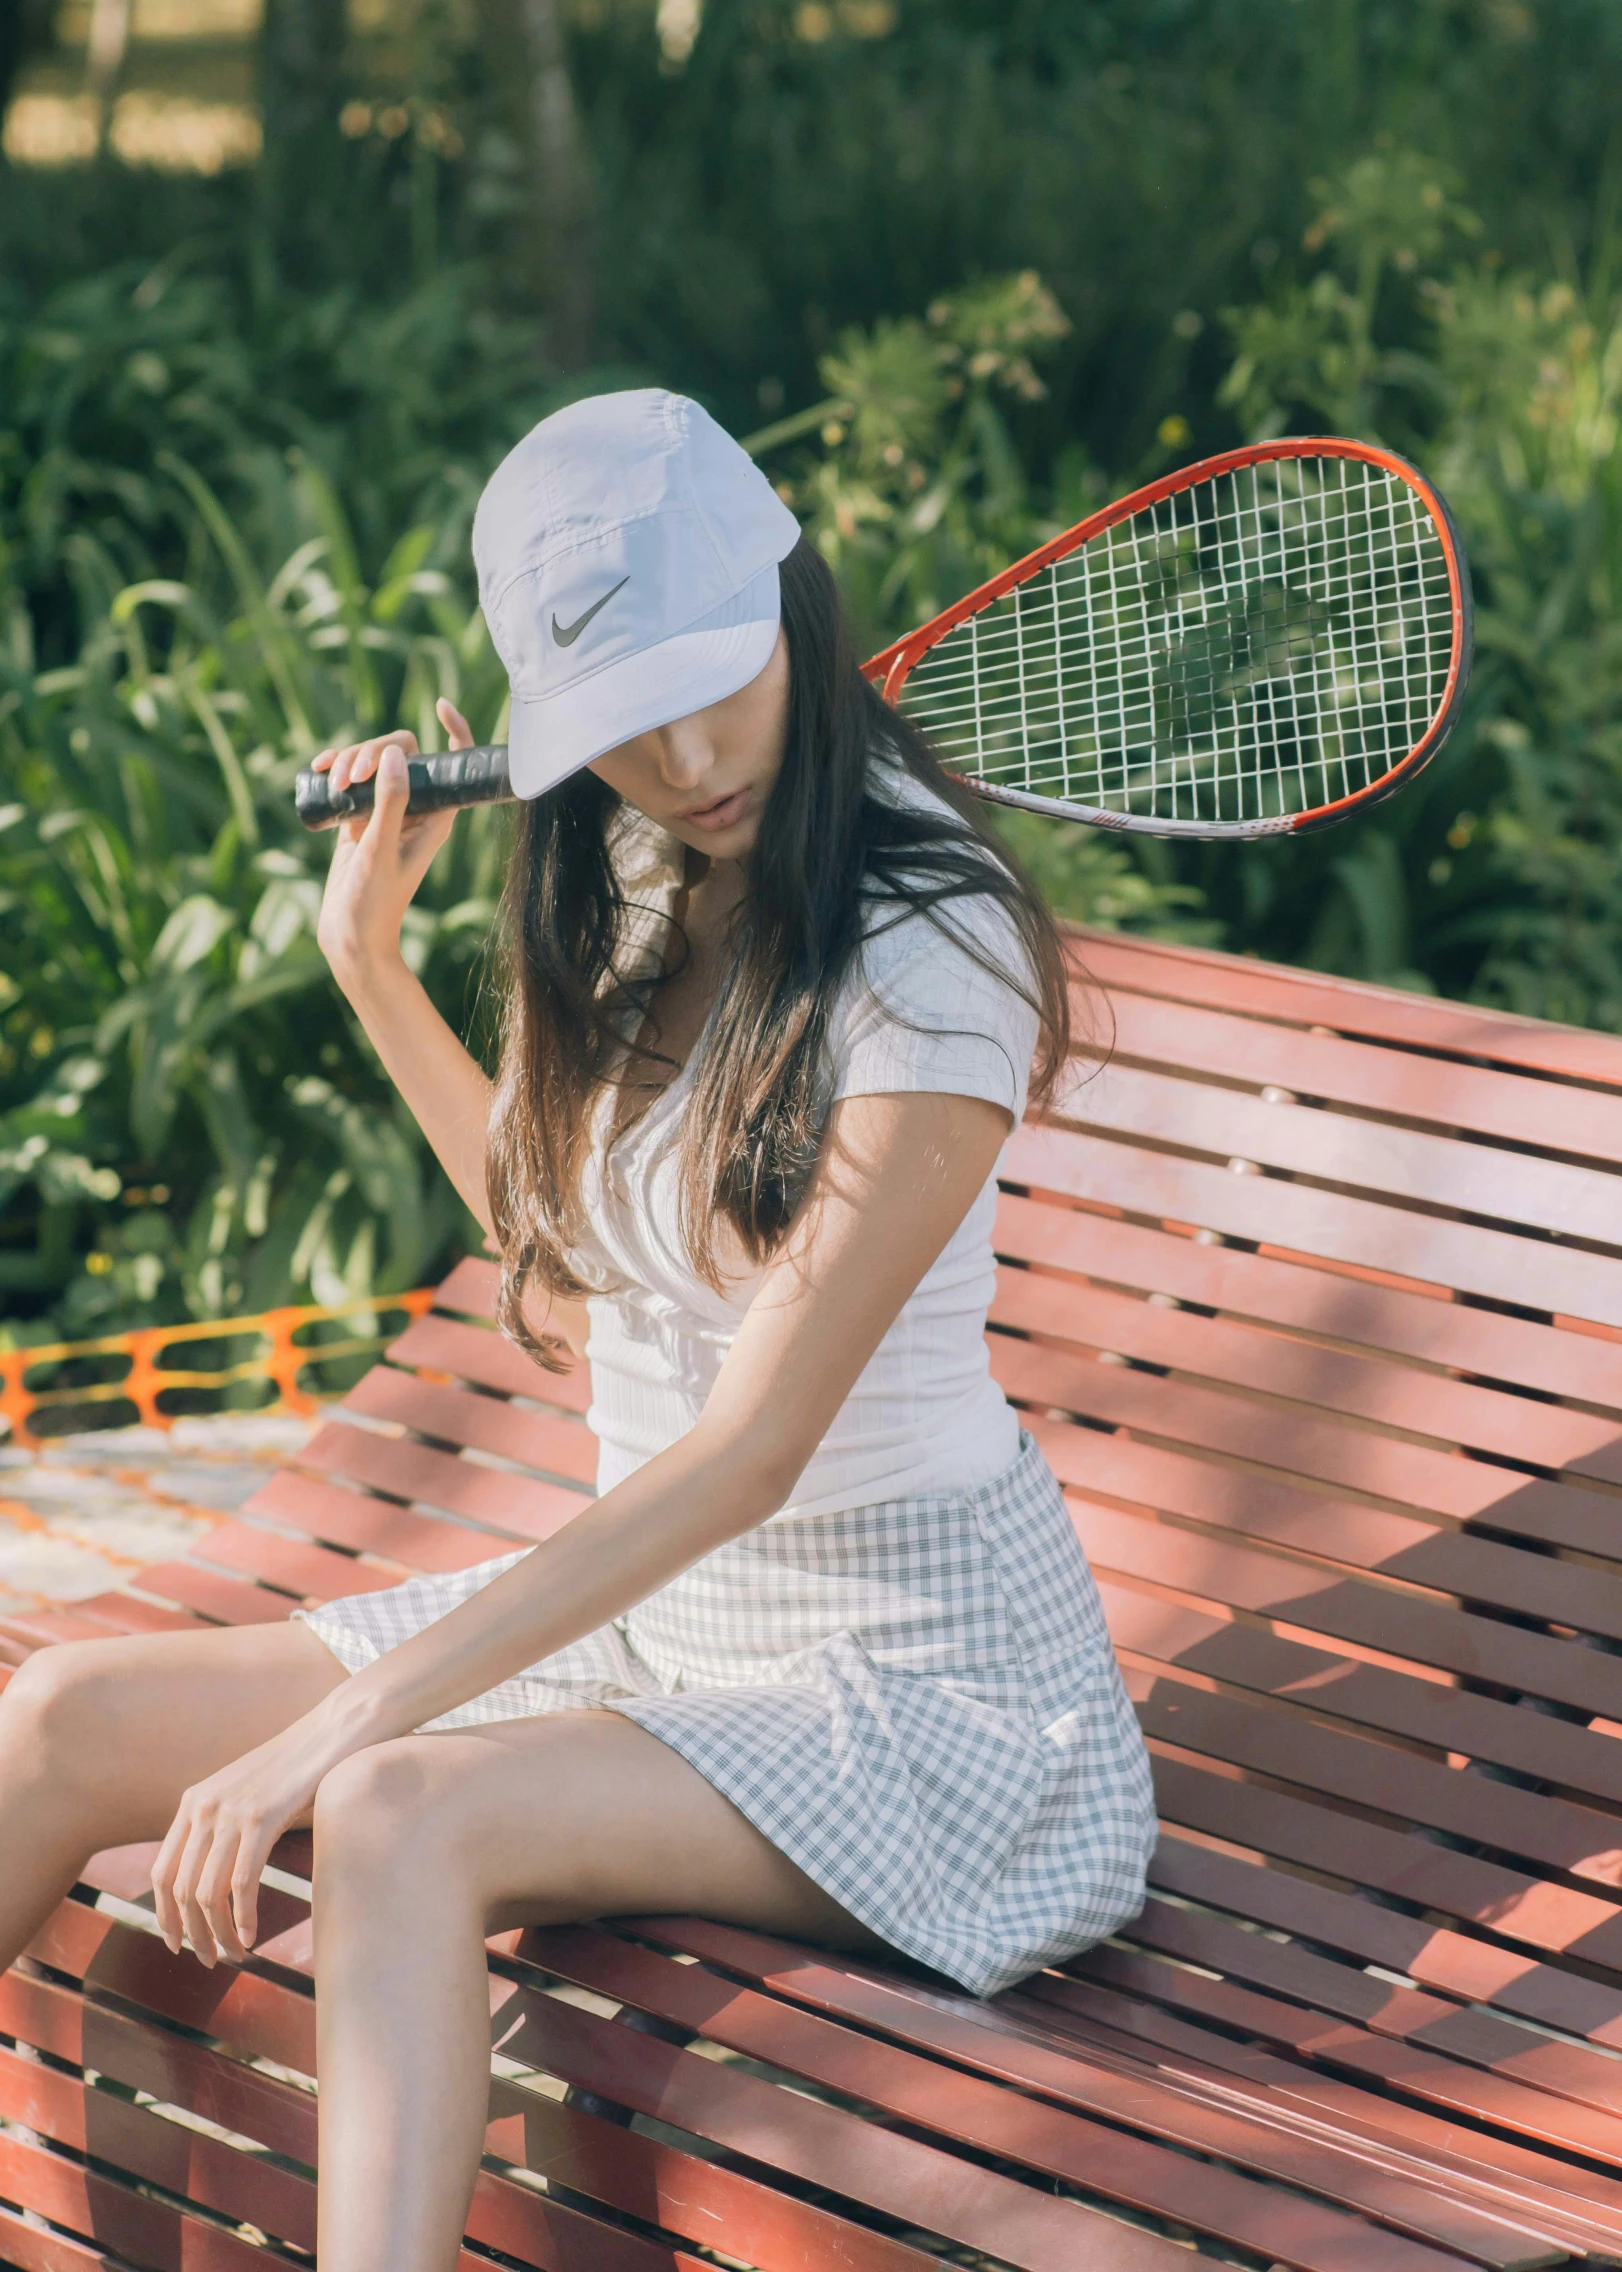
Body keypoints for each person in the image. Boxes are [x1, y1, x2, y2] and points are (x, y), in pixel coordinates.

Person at [0, 389, 1155, 2272]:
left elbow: (749, 1449)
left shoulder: (929, 950)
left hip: (923, 1698)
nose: (691, 755)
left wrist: (338, 1728)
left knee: (391, 1811)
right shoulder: (636, 868)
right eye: (624, 723)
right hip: (669, 1635)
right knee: (58, 1715)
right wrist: (370, 969)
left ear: (793, 614)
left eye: (720, 683)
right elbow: (566, 1262)